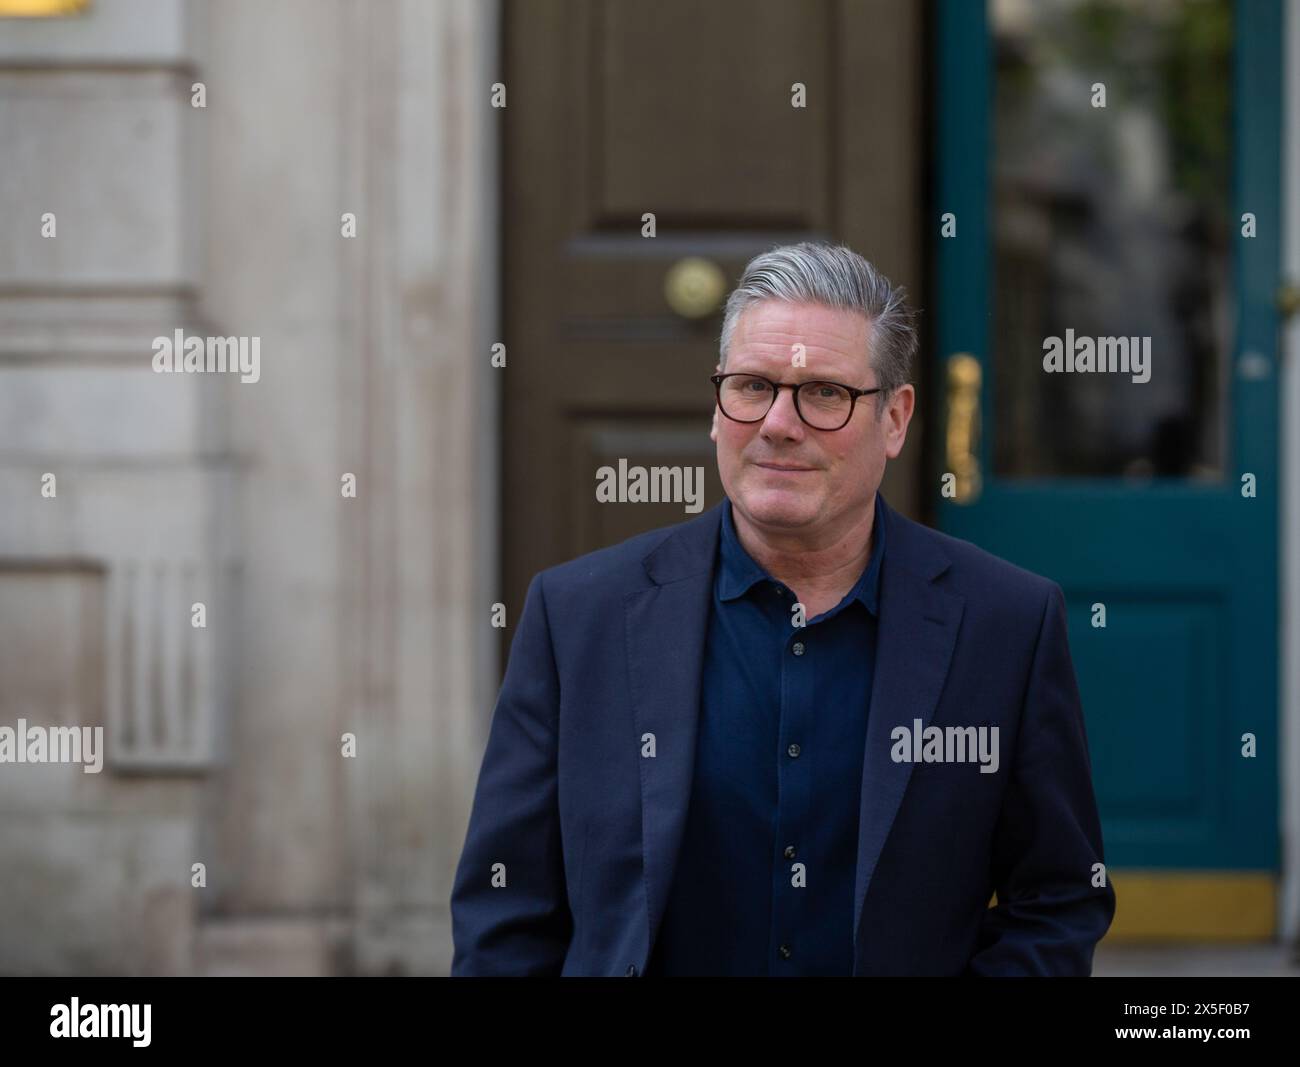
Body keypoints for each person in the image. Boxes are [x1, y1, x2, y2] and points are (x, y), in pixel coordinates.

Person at [450, 242, 1115, 976]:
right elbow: (504, 914)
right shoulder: (577, 617)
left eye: (824, 393)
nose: (777, 422)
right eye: (752, 385)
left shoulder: (1008, 625)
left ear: (894, 419)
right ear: (717, 406)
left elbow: (1056, 900)